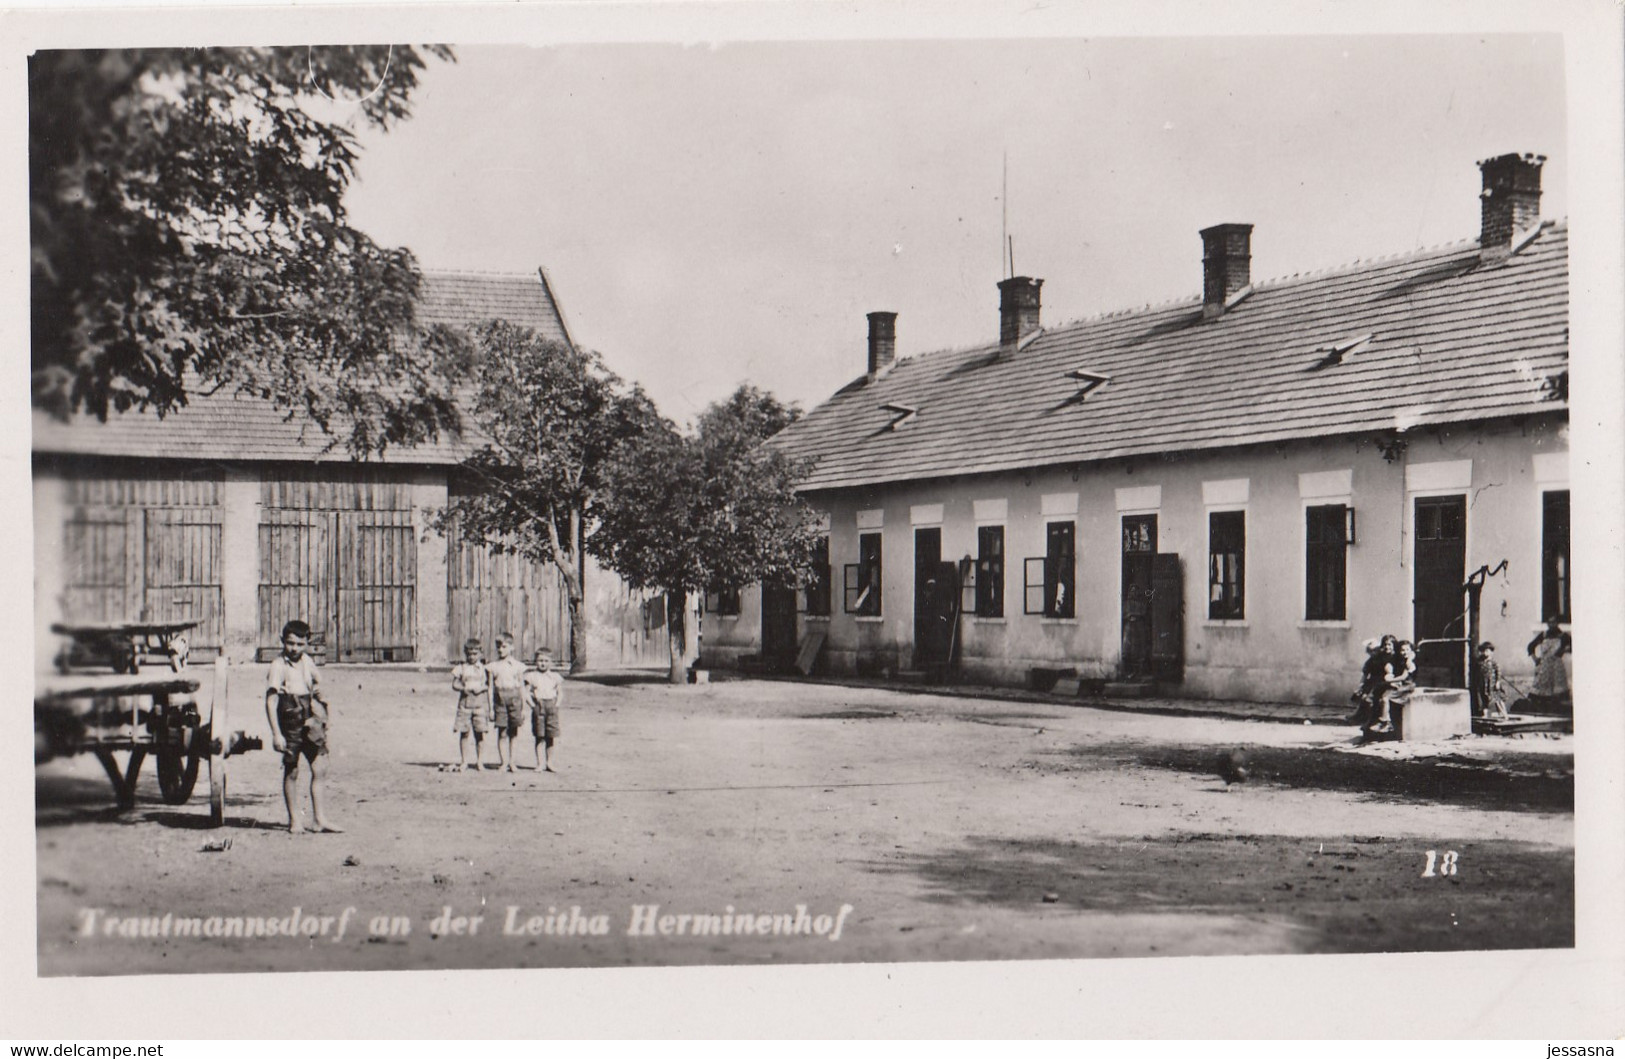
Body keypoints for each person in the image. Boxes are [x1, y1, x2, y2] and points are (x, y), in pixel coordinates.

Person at [264, 620, 342, 833]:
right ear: (282, 641)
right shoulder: (278, 666)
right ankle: (295, 820)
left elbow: (317, 687)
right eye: (290, 643)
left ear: (307, 643)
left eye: (300, 644)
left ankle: (319, 819)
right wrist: (276, 733)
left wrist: (323, 711)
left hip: (310, 717)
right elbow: (271, 701)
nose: (294, 649)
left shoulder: (307, 661)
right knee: (292, 771)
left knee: (320, 767)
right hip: (290, 721)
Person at [487, 633, 528, 773]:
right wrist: (491, 709)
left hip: (515, 700)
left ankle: (512, 762)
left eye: (504, 646)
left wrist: (523, 708)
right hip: (500, 701)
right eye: (498, 647)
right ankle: (503, 762)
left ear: (512, 647)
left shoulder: (518, 666)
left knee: (514, 732)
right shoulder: (492, 666)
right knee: (502, 732)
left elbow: (522, 687)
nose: (500, 649)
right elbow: (490, 689)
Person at [451, 638, 493, 772]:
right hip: (464, 705)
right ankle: (464, 761)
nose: (472, 656)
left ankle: (480, 761)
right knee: (464, 733)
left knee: (480, 733)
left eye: (475, 654)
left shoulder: (485, 668)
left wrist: (481, 689)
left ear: (481, 653)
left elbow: (489, 685)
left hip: (480, 706)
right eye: (469, 654)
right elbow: (454, 684)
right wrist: (463, 688)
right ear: (465, 653)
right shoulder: (461, 667)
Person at [523, 647, 565, 772]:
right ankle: (540, 763)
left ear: (551, 662)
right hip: (539, 706)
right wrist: (533, 705)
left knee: (551, 736)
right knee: (539, 736)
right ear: (535, 661)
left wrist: (557, 705)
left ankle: (550, 762)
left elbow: (560, 692)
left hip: (551, 706)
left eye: (546, 661)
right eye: (540, 660)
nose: (543, 663)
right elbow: (526, 693)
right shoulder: (531, 676)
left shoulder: (555, 676)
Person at [1369, 636, 1413, 735]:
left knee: (1385, 698)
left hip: (1406, 686)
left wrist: (1391, 680)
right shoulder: (1397, 658)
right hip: (1400, 684)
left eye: (1407, 650)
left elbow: (1404, 676)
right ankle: (1375, 723)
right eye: (1402, 650)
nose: (1404, 652)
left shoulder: (1408, 662)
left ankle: (1386, 722)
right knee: (1379, 695)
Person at [1526, 618, 1572, 712]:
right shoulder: (1544, 635)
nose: (1551, 625)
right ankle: (1542, 710)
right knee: (1541, 690)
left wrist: (1564, 650)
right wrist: (1535, 659)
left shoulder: (1563, 636)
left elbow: (1572, 646)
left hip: (1556, 666)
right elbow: (1531, 646)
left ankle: (1555, 711)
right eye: (1549, 622)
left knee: (1557, 691)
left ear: (1557, 623)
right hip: (1544, 667)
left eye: (1554, 622)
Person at [1348, 637, 1385, 727]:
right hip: (1372, 681)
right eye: (1371, 651)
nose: (1373, 653)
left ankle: (1371, 718)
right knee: (1363, 695)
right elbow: (1365, 674)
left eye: (1375, 650)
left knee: (1370, 697)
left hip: (1381, 681)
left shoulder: (1383, 659)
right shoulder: (1370, 661)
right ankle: (1360, 716)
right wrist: (1361, 685)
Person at [1476, 641, 1510, 719]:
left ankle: (1503, 714)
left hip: (1493, 684)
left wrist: (1497, 682)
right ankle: (1486, 715)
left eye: (1487, 651)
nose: (1485, 653)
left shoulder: (1493, 662)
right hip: (1484, 684)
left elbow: (1498, 672)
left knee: (1497, 699)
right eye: (1483, 651)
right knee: (1485, 699)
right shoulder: (1480, 662)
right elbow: (1478, 672)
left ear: (1491, 652)